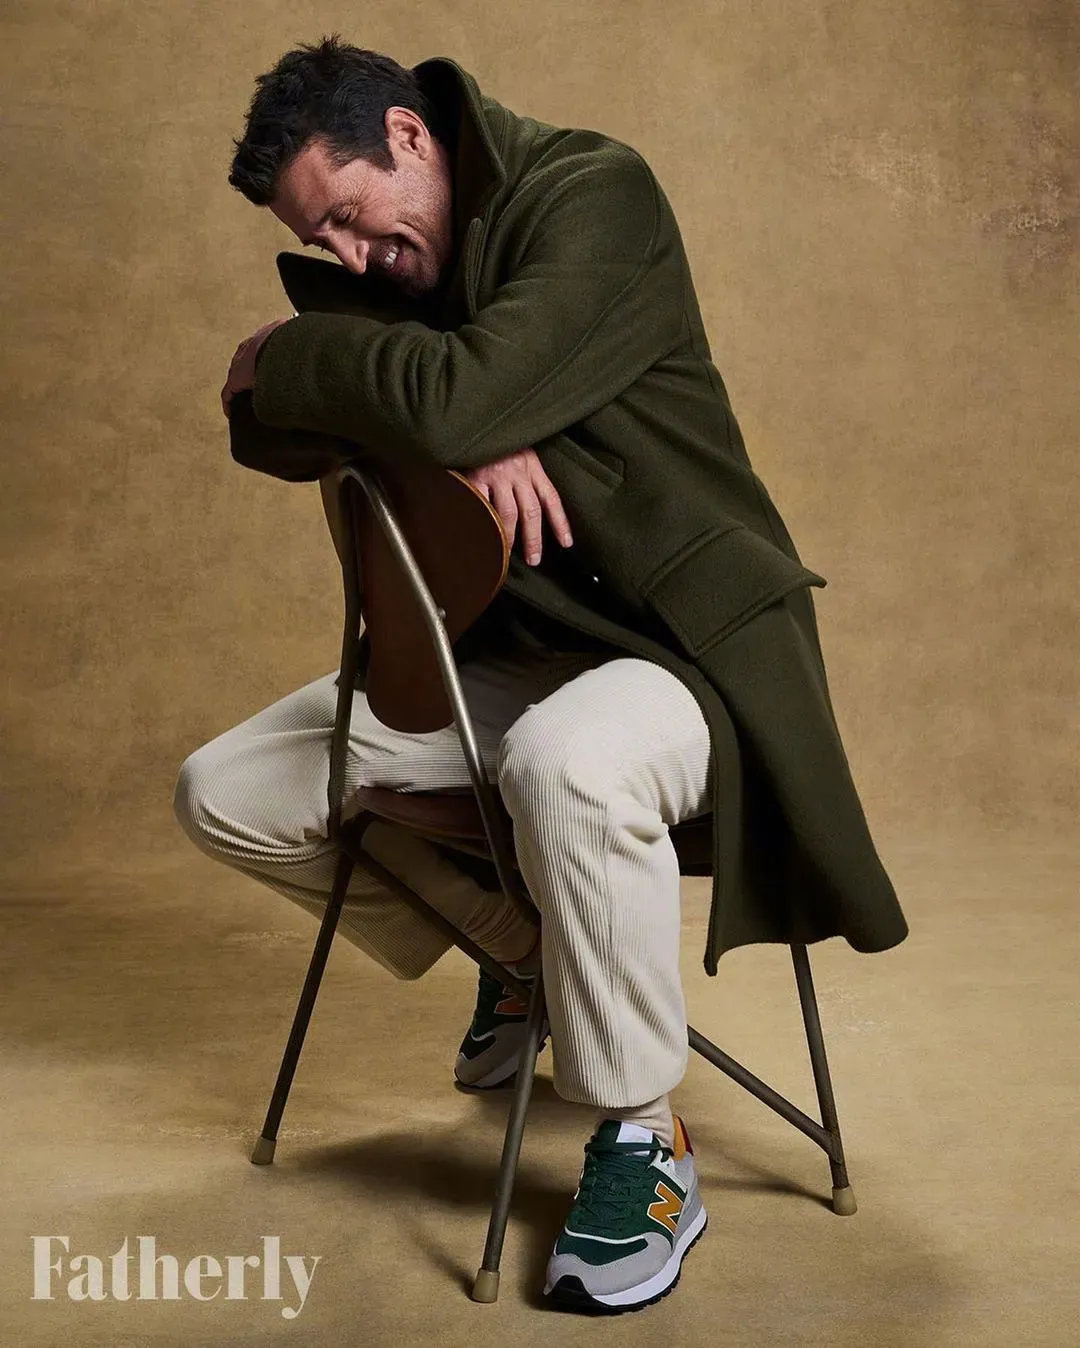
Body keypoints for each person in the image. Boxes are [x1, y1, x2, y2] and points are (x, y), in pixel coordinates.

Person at [174, 35, 908, 1315]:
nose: (346, 258)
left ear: (409, 136)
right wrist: (459, 418)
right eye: (316, 242)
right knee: (229, 788)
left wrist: (335, 366)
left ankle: (644, 1134)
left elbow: (419, 394)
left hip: (686, 652)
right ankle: (525, 958)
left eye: (345, 217)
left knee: (562, 763)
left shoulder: (592, 194)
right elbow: (261, 431)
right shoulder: (400, 275)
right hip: (509, 655)